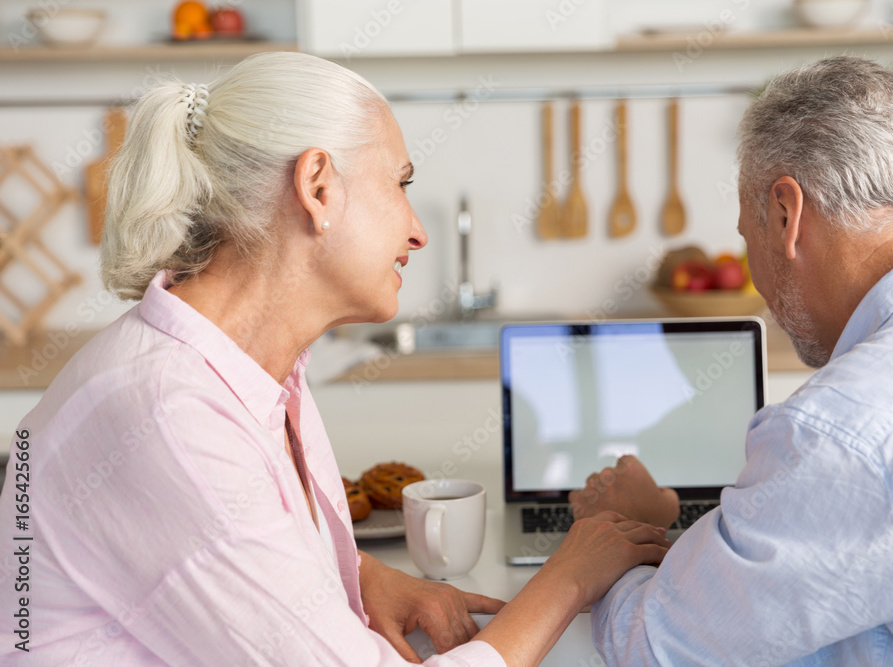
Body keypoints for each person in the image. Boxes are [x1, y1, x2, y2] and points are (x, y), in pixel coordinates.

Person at [0, 51, 670, 666]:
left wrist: (355, 574)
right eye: (400, 183)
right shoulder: (166, 414)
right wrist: (571, 573)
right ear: (318, 187)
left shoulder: (257, 370)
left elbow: (208, 547)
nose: (417, 229)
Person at [572, 56, 893, 665]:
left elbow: (656, 648)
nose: (763, 290)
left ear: (786, 214)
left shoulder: (848, 426)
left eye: (749, 238)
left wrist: (619, 529)